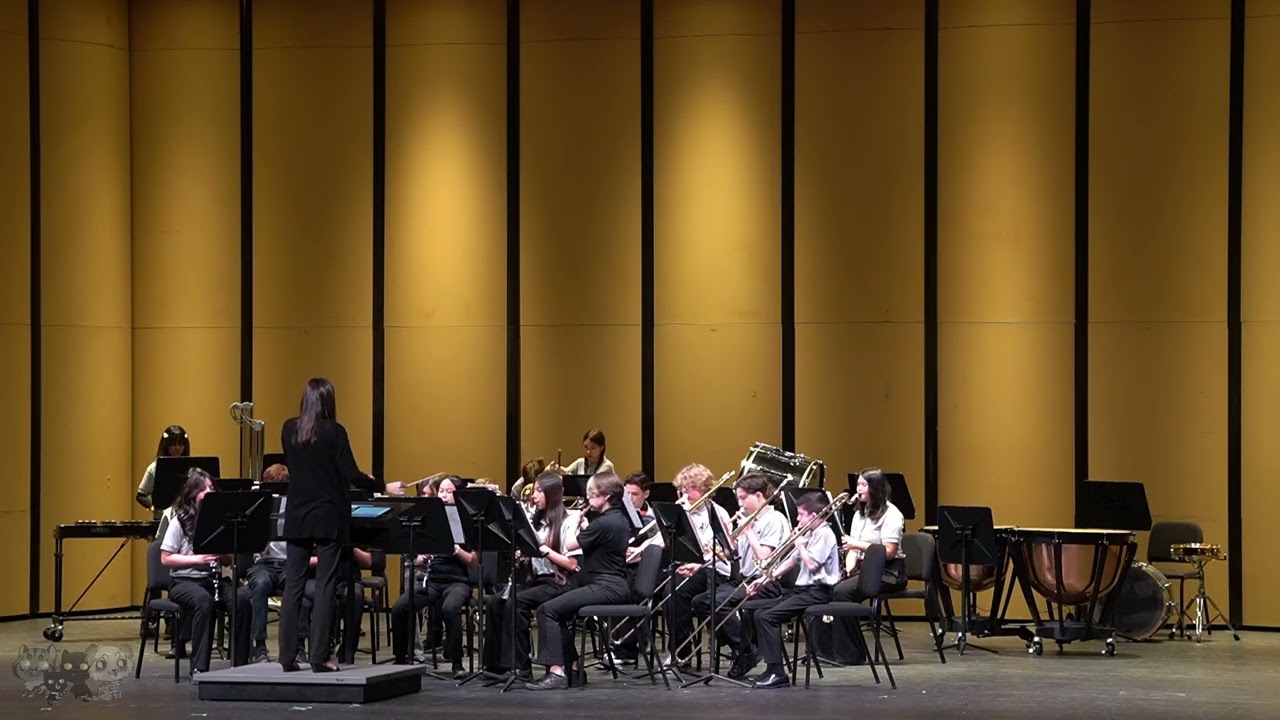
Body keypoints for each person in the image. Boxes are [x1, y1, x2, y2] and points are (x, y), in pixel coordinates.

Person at [278, 378, 403, 673]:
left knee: (292, 586)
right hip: (328, 517)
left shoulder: (288, 429)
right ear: (328, 401)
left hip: (296, 517)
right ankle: (319, 656)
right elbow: (349, 473)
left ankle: (286, 656)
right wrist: (381, 485)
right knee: (325, 585)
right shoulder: (335, 431)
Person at [526, 472, 631, 690]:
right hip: (608, 584)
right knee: (557, 612)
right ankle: (572, 669)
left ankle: (556, 672)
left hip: (607, 586)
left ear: (608, 496)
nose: (588, 499)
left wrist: (575, 521)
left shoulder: (604, 522)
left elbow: (572, 544)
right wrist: (586, 526)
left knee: (547, 610)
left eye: (593, 494)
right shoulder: (616, 519)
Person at [691, 472, 791, 679]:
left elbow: (764, 556)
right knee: (701, 601)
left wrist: (748, 532)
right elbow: (732, 554)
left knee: (719, 602)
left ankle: (745, 650)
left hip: (766, 581)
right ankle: (743, 648)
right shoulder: (749, 519)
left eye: (744, 498)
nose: (740, 503)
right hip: (743, 578)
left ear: (760, 496)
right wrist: (700, 563)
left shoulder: (774, 519)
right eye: (738, 498)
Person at [482, 472, 580, 678]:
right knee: (494, 601)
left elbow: (571, 565)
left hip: (559, 582)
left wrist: (542, 550)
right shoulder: (536, 521)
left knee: (516, 602)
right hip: (537, 580)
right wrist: (524, 554)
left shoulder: (569, 520)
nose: (534, 495)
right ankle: (495, 665)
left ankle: (521, 666)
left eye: (539, 491)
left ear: (552, 494)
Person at [159, 468, 251, 676]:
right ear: (193, 494)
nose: (210, 492)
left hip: (213, 579)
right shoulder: (179, 520)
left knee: (242, 598)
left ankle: (241, 664)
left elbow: (227, 561)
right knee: (203, 601)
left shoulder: (219, 520)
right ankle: (199, 668)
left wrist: (223, 553)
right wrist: (198, 558)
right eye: (205, 489)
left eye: (212, 488)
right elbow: (165, 558)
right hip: (183, 582)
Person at [750, 492, 840, 689]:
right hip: (803, 591)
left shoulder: (825, 534)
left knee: (768, 617)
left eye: (800, 514)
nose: (797, 519)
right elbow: (792, 561)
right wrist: (766, 579)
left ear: (814, 516)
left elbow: (812, 565)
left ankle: (778, 674)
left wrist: (799, 546)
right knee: (759, 613)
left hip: (818, 591)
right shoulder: (810, 533)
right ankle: (771, 667)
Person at [390, 476, 477, 677]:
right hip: (433, 580)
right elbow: (420, 559)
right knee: (400, 608)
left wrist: (454, 548)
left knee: (449, 608)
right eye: (441, 491)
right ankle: (401, 658)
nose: (443, 495)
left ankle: (457, 664)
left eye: (448, 491)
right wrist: (421, 558)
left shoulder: (467, 521)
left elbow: (473, 561)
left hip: (458, 581)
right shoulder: (433, 519)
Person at [826, 468, 906, 664]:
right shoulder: (859, 514)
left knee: (843, 593)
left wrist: (856, 544)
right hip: (866, 568)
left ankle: (852, 654)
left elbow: (888, 551)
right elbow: (853, 550)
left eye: (863, 485)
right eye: (858, 484)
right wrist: (847, 570)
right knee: (830, 588)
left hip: (889, 571)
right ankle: (829, 650)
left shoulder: (892, 514)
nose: (858, 489)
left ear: (876, 488)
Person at [665, 463, 733, 669]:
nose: (684, 493)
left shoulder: (717, 513)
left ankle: (682, 651)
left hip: (715, 570)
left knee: (676, 590)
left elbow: (724, 550)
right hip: (689, 568)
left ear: (704, 488)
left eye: (689, 488)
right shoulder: (681, 512)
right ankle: (681, 647)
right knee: (664, 588)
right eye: (681, 489)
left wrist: (698, 563)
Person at [246, 464, 301, 663]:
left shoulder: (296, 503)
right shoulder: (259, 503)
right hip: (264, 563)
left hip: (289, 563)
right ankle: (259, 645)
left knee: (298, 587)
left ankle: (298, 645)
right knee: (260, 585)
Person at [137, 425, 190, 516]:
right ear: (166, 445)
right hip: (162, 520)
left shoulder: (192, 468)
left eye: (180, 444)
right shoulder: (154, 468)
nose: (177, 447)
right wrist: (154, 507)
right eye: (173, 444)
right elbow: (141, 495)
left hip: (186, 520)